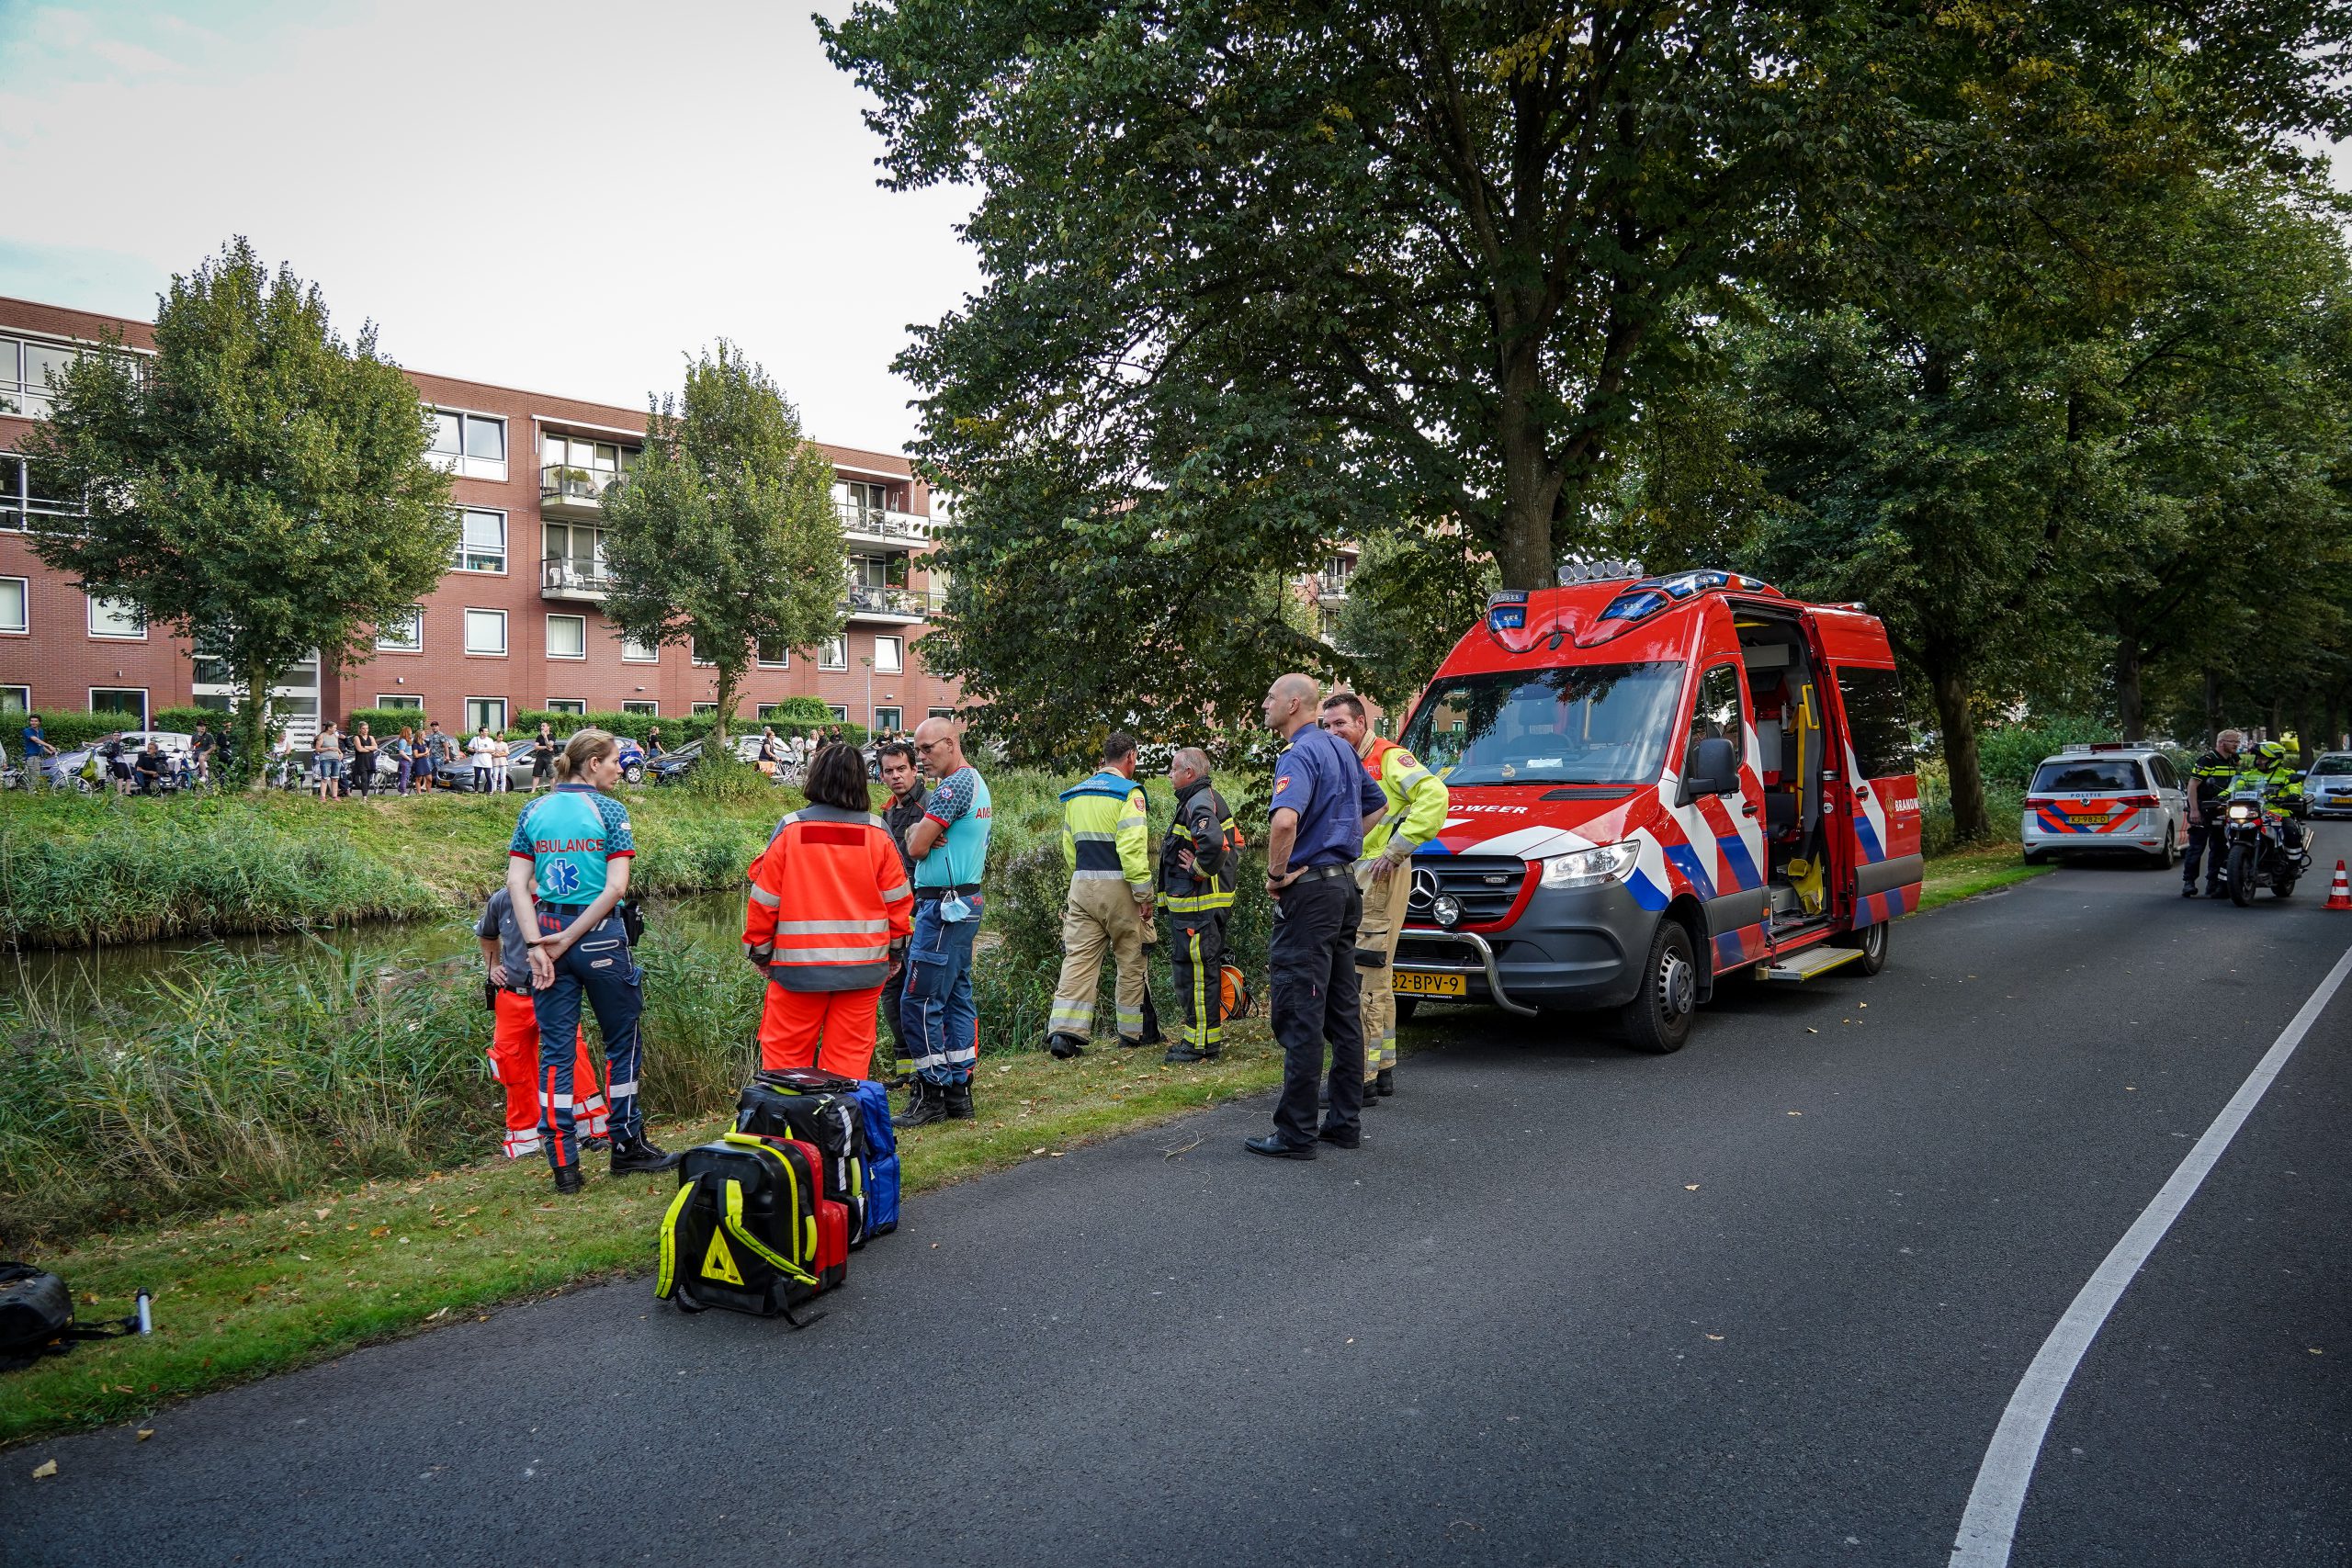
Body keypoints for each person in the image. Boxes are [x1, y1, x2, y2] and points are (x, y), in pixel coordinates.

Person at [506, 728, 678, 1191]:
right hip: (597, 937)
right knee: (623, 1042)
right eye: (615, 760)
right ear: (592, 764)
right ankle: (626, 1146)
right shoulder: (609, 810)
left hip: (544, 938)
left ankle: (563, 1165)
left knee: (556, 1053)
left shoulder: (533, 809)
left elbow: (516, 885)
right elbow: (616, 888)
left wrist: (538, 943)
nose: (621, 767)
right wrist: (569, 938)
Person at [1247, 674, 1386, 1160]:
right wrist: (1342, 843)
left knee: (1301, 1008)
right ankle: (1344, 1122)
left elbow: (1284, 821)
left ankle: (1296, 1132)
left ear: (1292, 705)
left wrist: (1277, 874)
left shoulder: (1299, 754)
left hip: (1309, 896)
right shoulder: (1342, 749)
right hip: (1344, 887)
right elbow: (1378, 805)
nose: (1263, 704)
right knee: (1341, 1009)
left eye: (1269, 698)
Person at [742, 742, 915, 1077]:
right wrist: (895, 955)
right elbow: (899, 905)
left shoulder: (791, 830)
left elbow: (764, 902)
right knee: (848, 1064)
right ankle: (841, 1127)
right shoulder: (877, 833)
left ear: (815, 776)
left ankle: (788, 1129)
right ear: (860, 781)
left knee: (785, 1065)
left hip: (797, 972)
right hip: (864, 970)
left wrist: (761, 954)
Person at [1320, 691, 1449, 1098]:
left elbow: (1435, 795)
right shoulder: (1349, 759)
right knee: (1378, 977)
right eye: (1327, 725)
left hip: (1377, 877)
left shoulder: (1389, 757)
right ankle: (1384, 1067)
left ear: (1362, 722)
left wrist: (1398, 849)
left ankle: (1359, 1077)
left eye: (1340, 723)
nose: (1332, 731)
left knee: (1362, 979)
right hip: (1361, 877)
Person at [899, 714, 992, 1126]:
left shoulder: (953, 787)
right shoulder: (975, 782)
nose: (920, 758)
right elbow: (920, 837)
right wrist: (919, 831)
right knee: (955, 997)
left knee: (918, 1001)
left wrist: (915, 833)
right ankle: (958, 1092)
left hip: (943, 907)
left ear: (951, 744)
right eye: (916, 749)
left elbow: (916, 847)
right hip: (963, 902)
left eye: (927, 748)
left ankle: (930, 1095)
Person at [1045, 732, 1155, 1057]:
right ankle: (1132, 1034)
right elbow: (1133, 848)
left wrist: (1080, 878)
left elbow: (1068, 846)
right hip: (1119, 886)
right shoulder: (1129, 794)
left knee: (1078, 959)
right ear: (1131, 757)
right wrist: (1143, 893)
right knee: (1131, 957)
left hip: (1081, 885)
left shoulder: (1077, 794)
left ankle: (1064, 1033)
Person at [477, 886, 608, 1158]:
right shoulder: (502, 899)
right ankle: (526, 1141)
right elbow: (487, 934)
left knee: (574, 1057)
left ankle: (592, 1132)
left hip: (554, 992)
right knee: (511, 1064)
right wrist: (492, 967)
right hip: (512, 996)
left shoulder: (562, 895)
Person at [1157, 747, 1240, 1065]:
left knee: (1199, 976)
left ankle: (1201, 1046)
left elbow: (1214, 844)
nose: (1169, 775)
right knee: (1194, 974)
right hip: (1195, 909)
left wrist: (1196, 870)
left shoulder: (1199, 801)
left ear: (1189, 773)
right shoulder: (1199, 799)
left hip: (1198, 910)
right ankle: (1198, 1039)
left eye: (1173, 770)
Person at [876, 738, 930, 1084]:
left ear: (914, 769)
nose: (895, 776)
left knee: (918, 990)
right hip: (893, 913)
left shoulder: (929, 805)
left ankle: (927, 1065)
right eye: (888, 771)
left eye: (901, 769)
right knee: (891, 990)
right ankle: (905, 1069)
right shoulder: (887, 812)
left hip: (924, 908)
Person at [2182, 728, 2244, 897]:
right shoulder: (2207, 760)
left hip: (2222, 809)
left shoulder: (2233, 759)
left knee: (2219, 847)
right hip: (2204, 808)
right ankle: (2189, 882)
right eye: (2233, 742)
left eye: (2238, 742)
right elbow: (2192, 785)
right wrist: (2194, 810)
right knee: (2196, 847)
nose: (2237, 745)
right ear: (2221, 742)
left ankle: (2213, 883)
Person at [2234, 736, 2308, 852]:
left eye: (2262, 758)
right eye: (2257, 757)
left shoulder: (2286, 774)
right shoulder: (2248, 774)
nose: (2258, 761)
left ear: (2275, 760)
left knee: (2291, 831)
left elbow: (2294, 786)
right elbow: (2235, 787)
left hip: (2278, 813)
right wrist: (2222, 795)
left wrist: (2293, 795)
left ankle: (2294, 863)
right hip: (2252, 812)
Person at [20, 714, 57, 789]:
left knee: (40, 779)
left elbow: (40, 745)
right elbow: (36, 740)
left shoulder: (40, 731)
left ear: (39, 722)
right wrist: (49, 745)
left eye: (35, 721)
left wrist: (49, 752)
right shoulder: (27, 731)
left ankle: (37, 796)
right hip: (32, 757)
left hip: (40, 758)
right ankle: (32, 798)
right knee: (35, 780)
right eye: (32, 721)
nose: (33, 723)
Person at [313, 719, 344, 801]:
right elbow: (317, 749)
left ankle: (335, 796)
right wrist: (329, 748)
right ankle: (323, 796)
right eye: (334, 728)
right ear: (329, 728)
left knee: (335, 778)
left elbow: (336, 747)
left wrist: (340, 753)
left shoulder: (335, 736)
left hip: (336, 758)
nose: (335, 729)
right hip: (325, 758)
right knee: (325, 778)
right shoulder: (322, 736)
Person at [350, 721, 378, 798]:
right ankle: (364, 796)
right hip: (361, 760)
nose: (365, 730)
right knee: (364, 778)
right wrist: (370, 749)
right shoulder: (357, 737)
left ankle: (365, 794)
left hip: (370, 760)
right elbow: (359, 749)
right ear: (360, 729)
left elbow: (375, 747)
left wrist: (365, 747)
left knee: (368, 779)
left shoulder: (371, 737)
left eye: (367, 729)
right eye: (363, 729)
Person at [387, 727, 414, 795]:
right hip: (406, 759)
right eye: (410, 731)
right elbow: (401, 752)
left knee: (406, 776)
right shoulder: (403, 741)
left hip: (408, 758)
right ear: (407, 732)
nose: (411, 732)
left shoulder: (407, 740)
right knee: (405, 776)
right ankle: (403, 792)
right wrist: (409, 759)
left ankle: (401, 788)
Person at [469, 725, 496, 794]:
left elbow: (493, 750)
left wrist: (485, 751)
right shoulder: (475, 739)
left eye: (487, 731)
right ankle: (476, 791)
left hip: (487, 761)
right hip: (477, 761)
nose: (487, 732)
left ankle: (490, 791)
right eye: (486, 731)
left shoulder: (490, 740)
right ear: (481, 732)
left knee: (488, 776)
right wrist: (475, 750)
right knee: (477, 776)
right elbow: (469, 748)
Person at [190, 720, 218, 786]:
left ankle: (203, 777)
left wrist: (206, 752)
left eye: (204, 726)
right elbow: (191, 747)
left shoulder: (209, 736)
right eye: (201, 726)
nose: (203, 727)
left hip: (205, 754)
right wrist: (192, 750)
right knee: (188, 760)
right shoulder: (194, 736)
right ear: (197, 727)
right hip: (196, 753)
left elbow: (213, 747)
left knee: (201, 758)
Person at [530, 721, 556, 791]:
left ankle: (553, 791)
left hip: (549, 757)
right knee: (536, 775)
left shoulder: (552, 736)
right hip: (540, 757)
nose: (542, 727)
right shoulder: (539, 737)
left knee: (551, 775)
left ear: (548, 727)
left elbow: (550, 745)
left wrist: (545, 737)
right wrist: (546, 747)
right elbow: (536, 747)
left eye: (543, 726)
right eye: (541, 726)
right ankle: (533, 791)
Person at [491, 729, 513, 794]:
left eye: (502, 737)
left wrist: (499, 754)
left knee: (503, 777)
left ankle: (503, 790)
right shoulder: (493, 744)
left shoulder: (505, 744)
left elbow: (506, 753)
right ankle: (494, 790)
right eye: (499, 737)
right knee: (495, 777)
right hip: (495, 763)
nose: (501, 738)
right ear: (496, 737)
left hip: (503, 763)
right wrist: (500, 753)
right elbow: (492, 753)